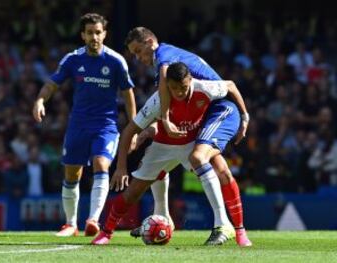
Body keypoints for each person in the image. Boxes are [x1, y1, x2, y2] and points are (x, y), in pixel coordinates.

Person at [91, 62, 250, 246]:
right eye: (174, 88)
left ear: (191, 80)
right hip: (162, 147)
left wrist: (245, 116)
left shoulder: (205, 89)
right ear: (167, 86)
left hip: (192, 143)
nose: (179, 93)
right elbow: (128, 132)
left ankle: (234, 229)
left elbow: (230, 85)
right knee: (132, 193)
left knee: (222, 169)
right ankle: (106, 233)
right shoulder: (157, 101)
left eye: (183, 87)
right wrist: (120, 167)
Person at [124, 27, 251, 245]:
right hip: (208, 112)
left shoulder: (164, 60)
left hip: (220, 109)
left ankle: (225, 225)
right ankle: (238, 233)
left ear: (149, 42)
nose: (138, 58)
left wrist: (245, 116)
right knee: (218, 168)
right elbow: (170, 102)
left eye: (138, 51)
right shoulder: (168, 59)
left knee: (200, 158)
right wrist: (149, 130)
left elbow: (227, 86)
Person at [32, 13, 136, 237]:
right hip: (78, 125)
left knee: (101, 164)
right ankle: (70, 224)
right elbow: (51, 84)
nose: (94, 37)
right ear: (83, 35)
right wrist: (40, 100)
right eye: (90, 33)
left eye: (98, 32)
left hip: (105, 126)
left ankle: (93, 220)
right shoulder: (72, 59)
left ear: (104, 34)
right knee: (72, 174)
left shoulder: (116, 61)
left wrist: (134, 126)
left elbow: (128, 95)